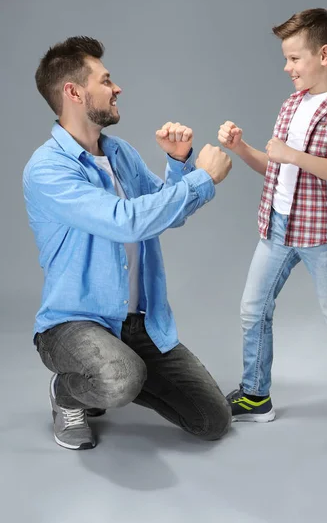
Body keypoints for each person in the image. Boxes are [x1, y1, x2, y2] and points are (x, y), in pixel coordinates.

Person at [23, 36, 232, 450]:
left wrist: (177, 163)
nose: (116, 88)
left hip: (137, 322)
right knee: (120, 378)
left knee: (211, 420)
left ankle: (107, 374)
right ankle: (69, 392)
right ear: (74, 92)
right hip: (73, 322)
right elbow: (126, 222)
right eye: (106, 80)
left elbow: (168, 216)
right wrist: (202, 178)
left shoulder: (121, 154)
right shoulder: (46, 169)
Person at [218, 8, 327, 451]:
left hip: (321, 233)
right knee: (253, 309)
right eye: (286, 59)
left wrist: (292, 155)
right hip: (277, 226)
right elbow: (275, 165)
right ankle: (256, 395)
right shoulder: (293, 103)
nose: (286, 68)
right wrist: (241, 148)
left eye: (294, 58)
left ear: (324, 55)